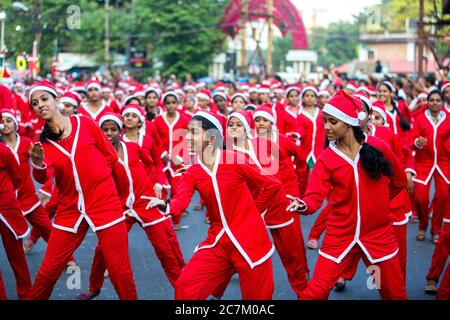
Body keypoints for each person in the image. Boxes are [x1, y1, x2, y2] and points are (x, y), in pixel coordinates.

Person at [143, 110, 278, 300]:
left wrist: (253, 212)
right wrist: (165, 205)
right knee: (185, 288)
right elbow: (181, 200)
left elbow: (272, 186)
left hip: (251, 241)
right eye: (187, 132)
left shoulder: (235, 160)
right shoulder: (193, 172)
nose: (187, 137)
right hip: (218, 242)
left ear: (212, 137)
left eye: (194, 132)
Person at [286, 90, 407, 300]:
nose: (326, 127)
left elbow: (398, 181)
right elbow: (314, 197)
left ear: (349, 122)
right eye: (325, 121)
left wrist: (378, 204)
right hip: (339, 235)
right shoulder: (326, 158)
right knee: (314, 293)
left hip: (378, 235)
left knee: (393, 293)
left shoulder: (378, 147)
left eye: (332, 122)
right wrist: (303, 205)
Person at [26, 81, 137, 300]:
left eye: (44, 99)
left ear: (57, 100)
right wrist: (37, 164)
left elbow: (111, 158)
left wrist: (107, 187)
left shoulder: (84, 124)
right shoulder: (43, 143)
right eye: (35, 103)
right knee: (48, 272)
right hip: (70, 210)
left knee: (119, 272)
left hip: (105, 203)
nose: (40, 105)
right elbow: (43, 176)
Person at [77, 114, 184, 299]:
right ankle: (94, 288)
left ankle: (183, 292)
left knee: (165, 250)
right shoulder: (98, 155)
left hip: (146, 203)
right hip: (119, 206)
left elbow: (151, 165)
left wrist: (155, 185)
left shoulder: (134, 147)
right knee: (102, 249)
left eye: (113, 129)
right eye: (105, 129)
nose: (109, 133)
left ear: (121, 131)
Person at [226, 110, 309, 297]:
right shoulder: (229, 154)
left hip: (279, 204)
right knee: (240, 252)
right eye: (230, 125)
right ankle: (219, 289)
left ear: (247, 128)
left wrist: (291, 190)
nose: (233, 128)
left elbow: (285, 163)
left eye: (238, 125)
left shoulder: (263, 143)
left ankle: (303, 291)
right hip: (253, 209)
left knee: (291, 253)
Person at [0, 110, 53, 254]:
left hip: (28, 196)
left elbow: (41, 174)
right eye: (2, 121)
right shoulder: (1, 148)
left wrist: (38, 162)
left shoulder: (26, 142)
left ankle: (68, 259)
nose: (5, 124)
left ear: (15, 123)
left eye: (9, 121)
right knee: (12, 237)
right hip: (7, 200)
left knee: (47, 228)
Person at [409, 90, 449, 243]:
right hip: (423, 163)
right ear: (427, 102)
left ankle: (436, 229)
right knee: (420, 198)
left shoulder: (448, 118)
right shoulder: (419, 119)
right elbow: (412, 141)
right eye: (431, 100)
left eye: (437, 100)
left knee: (443, 197)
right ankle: (422, 225)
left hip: (443, 163)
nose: (434, 103)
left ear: (442, 101)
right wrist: (416, 143)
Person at [0, 116, 32, 299]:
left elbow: (17, 178)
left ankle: (26, 293)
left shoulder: (4, 152)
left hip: (7, 211)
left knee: (16, 256)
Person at [154, 92, 190, 229]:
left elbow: (188, 139)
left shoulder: (184, 120)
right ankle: (161, 219)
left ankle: (175, 220)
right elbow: (155, 140)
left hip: (177, 161)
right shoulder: (158, 120)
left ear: (177, 103)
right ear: (164, 104)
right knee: (160, 189)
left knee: (177, 190)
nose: (170, 105)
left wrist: (179, 156)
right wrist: (163, 153)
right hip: (161, 161)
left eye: (173, 102)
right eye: (167, 103)